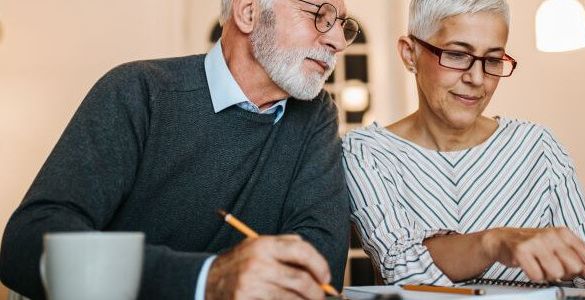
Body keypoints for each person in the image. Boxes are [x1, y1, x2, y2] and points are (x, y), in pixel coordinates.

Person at [0, 0, 361, 299]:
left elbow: (317, 267)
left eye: (342, 25)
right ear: (248, 12)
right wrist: (208, 279)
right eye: (320, 16)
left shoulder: (315, 114)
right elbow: (27, 246)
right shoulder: (138, 92)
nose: (337, 42)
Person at [343, 0, 585, 294]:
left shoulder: (538, 147)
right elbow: (402, 266)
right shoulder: (365, 152)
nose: (477, 79)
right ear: (410, 54)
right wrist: (495, 243)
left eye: (493, 60)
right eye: (458, 55)